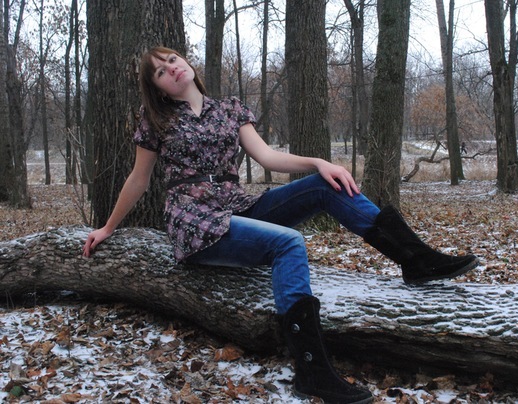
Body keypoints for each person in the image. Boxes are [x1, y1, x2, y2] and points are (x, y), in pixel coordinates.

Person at [83, 46, 478, 404]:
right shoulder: (157, 120)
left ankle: (415, 259)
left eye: (172, 60)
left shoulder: (230, 109)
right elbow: (139, 179)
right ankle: (312, 371)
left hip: (239, 206)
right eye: (159, 72)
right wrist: (108, 227)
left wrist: (319, 162)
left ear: (185, 62)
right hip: (196, 220)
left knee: (324, 184)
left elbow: (268, 157)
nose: (170, 69)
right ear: (159, 89)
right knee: (289, 243)